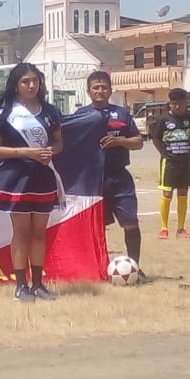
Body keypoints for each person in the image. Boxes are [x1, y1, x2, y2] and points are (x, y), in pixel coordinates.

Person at [0, 63, 64, 302]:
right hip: (17, 178)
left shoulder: (50, 111)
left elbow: (59, 142)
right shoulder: (5, 113)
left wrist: (50, 151)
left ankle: (38, 284)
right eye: (26, 81)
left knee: (39, 232)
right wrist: (27, 152)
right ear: (16, 85)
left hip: (43, 176)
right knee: (21, 232)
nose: (31, 85)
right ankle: (21, 285)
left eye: (35, 81)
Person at [78, 73, 148, 278]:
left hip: (119, 178)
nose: (100, 91)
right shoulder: (81, 115)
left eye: (104, 87)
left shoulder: (122, 114)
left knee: (131, 223)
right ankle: (97, 269)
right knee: (95, 227)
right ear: (88, 91)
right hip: (93, 181)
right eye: (95, 87)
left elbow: (138, 142)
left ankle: (135, 268)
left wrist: (119, 142)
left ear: (110, 90)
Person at [150, 88, 190, 240]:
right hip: (169, 162)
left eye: (180, 103)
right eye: (174, 103)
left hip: (185, 161)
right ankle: (164, 228)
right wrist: (164, 153)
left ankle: (181, 228)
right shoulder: (164, 120)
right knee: (167, 193)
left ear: (186, 103)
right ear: (170, 104)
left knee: (183, 193)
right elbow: (156, 139)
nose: (177, 106)